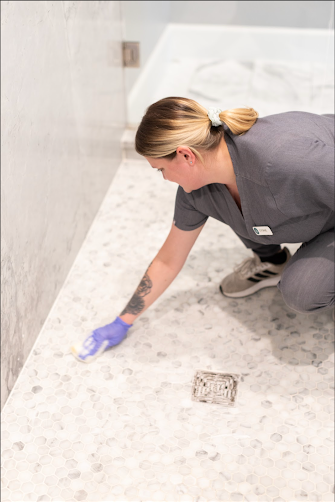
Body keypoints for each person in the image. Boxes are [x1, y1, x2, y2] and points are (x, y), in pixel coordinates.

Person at [71, 97, 334, 363]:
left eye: (161, 169)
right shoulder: (197, 192)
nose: (164, 178)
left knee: (304, 291)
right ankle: (272, 262)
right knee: (244, 210)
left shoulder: (285, 159)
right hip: (319, 206)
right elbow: (168, 260)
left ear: (186, 155)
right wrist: (122, 322)